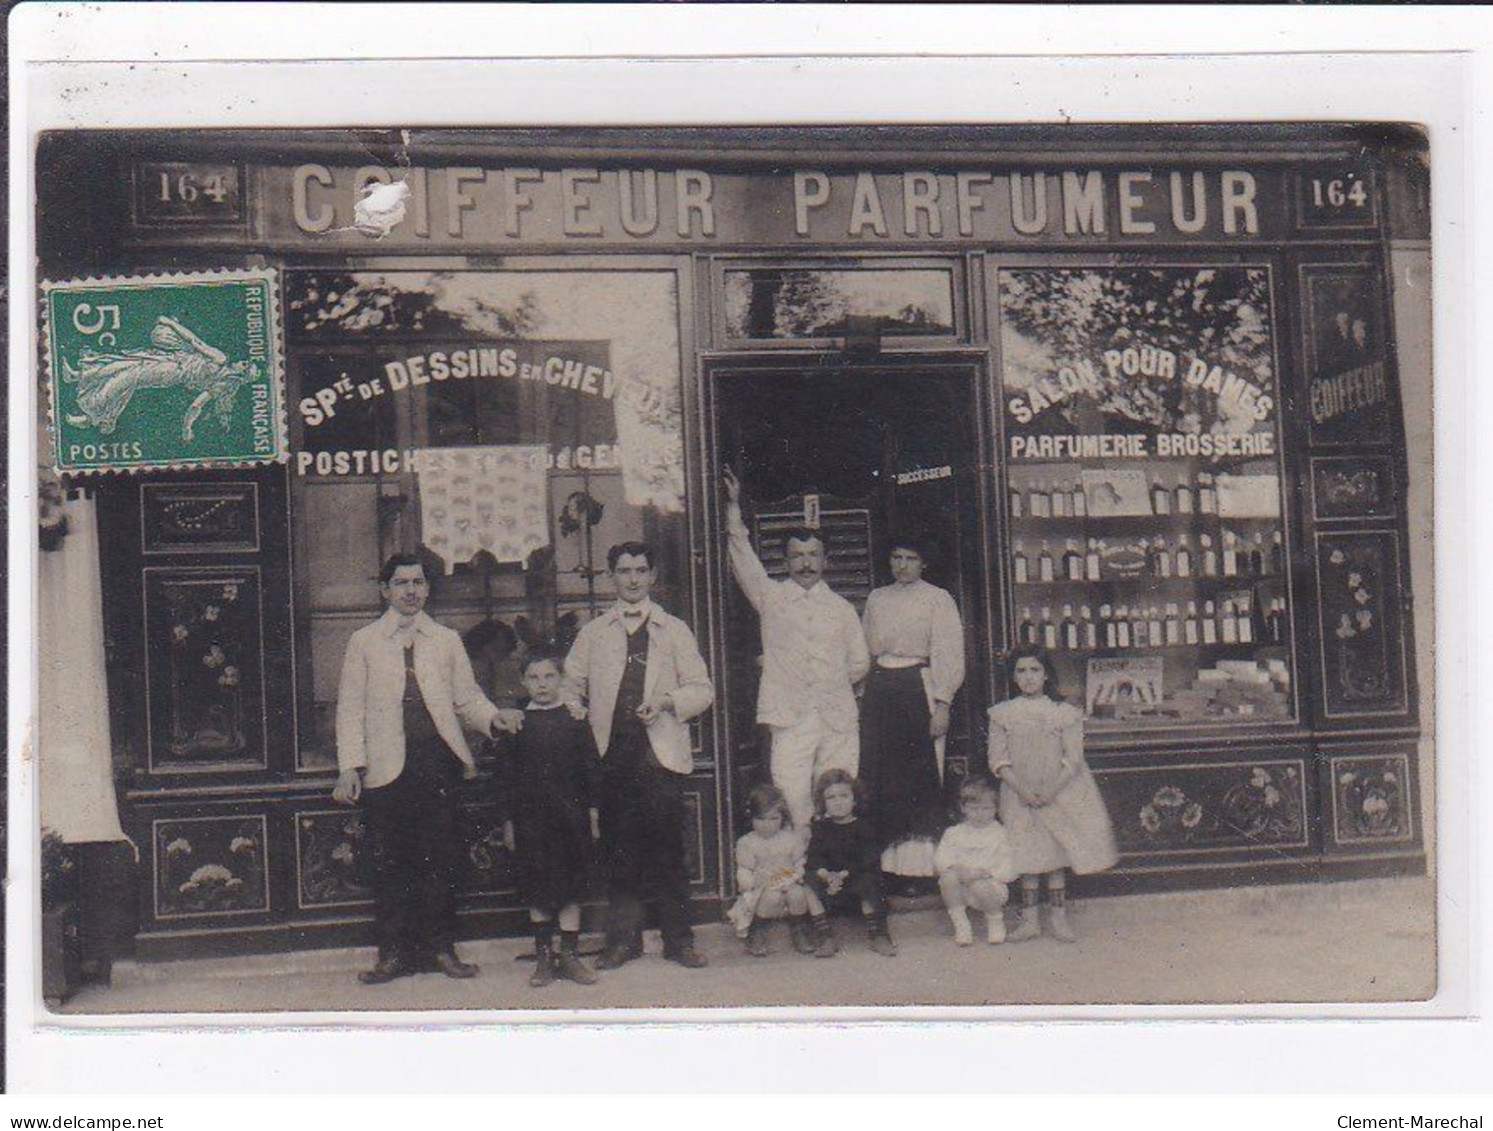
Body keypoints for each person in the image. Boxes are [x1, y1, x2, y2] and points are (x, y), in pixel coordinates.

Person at [333, 553, 523, 985]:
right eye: (401, 583)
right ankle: (393, 954)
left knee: (441, 859)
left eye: (418, 582)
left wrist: (493, 718)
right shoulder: (364, 642)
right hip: (385, 767)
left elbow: (466, 698)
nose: (411, 591)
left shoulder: (445, 640)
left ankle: (441, 949)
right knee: (391, 862)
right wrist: (349, 766)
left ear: (428, 589)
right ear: (385, 590)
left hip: (437, 763)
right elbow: (350, 709)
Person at [564, 541, 715, 970]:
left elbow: (703, 690)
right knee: (619, 852)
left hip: (660, 756)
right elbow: (570, 685)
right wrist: (577, 709)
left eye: (640, 570)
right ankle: (622, 941)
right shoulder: (595, 633)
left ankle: (678, 941)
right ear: (613, 577)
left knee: (668, 850)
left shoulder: (674, 630)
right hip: (613, 757)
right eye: (624, 571)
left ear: (651, 577)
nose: (632, 579)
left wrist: (668, 701)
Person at [723, 468, 870, 830]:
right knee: (790, 792)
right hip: (790, 715)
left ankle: (833, 869)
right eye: (797, 556)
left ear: (825, 561)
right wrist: (732, 509)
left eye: (813, 555)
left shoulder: (842, 609)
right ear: (786, 562)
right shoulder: (772, 599)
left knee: (837, 790)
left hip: (836, 717)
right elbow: (743, 560)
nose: (806, 563)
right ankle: (800, 867)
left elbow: (860, 662)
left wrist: (830, 683)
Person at [986, 645, 1119, 943]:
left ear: (1046, 674)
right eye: (1021, 671)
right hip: (1019, 793)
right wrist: (1022, 789)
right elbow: (997, 759)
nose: (1029, 677)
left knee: (1055, 853)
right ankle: (1030, 919)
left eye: (1035, 670)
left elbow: (1073, 758)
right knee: (1027, 853)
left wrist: (1049, 790)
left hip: (1058, 791)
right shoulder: (1003, 714)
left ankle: (1058, 918)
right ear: (1013, 677)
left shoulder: (1064, 713)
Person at [860, 537, 966, 884]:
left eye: (910, 557)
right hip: (881, 688)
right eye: (896, 556)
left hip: (918, 685)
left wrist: (942, 704)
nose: (902, 564)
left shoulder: (937, 598)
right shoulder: (877, 598)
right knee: (881, 775)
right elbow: (865, 650)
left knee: (919, 777)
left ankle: (919, 871)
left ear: (923, 563)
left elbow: (949, 652)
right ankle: (888, 869)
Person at [495, 650, 603, 988]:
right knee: (538, 888)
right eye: (534, 678)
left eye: (549, 677)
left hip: (571, 819)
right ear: (523, 682)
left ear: (561, 680)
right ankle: (544, 958)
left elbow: (590, 770)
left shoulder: (574, 719)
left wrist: (593, 814)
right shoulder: (517, 724)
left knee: (572, 888)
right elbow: (505, 779)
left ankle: (569, 956)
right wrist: (509, 822)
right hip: (532, 822)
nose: (542, 685)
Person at [804, 769, 897, 957]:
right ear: (823, 803)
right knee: (807, 883)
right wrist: (824, 874)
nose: (838, 802)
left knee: (870, 881)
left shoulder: (864, 827)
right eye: (831, 798)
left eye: (844, 796)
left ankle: (877, 935)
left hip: (856, 883)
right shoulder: (821, 829)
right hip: (831, 886)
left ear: (854, 799)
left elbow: (868, 860)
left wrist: (842, 874)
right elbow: (814, 857)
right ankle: (825, 936)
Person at [726, 784, 816, 958]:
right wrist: (749, 882)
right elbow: (745, 869)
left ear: (782, 817)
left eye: (773, 818)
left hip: (788, 881)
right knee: (772, 897)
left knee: (798, 894)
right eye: (760, 819)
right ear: (751, 817)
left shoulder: (791, 839)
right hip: (762, 886)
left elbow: (799, 862)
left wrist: (794, 877)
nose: (766, 825)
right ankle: (757, 931)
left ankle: (799, 930)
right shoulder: (747, 842)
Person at [935, 777, 1019, 946]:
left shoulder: (1001, 833)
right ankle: (962, 925)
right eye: (974, 808)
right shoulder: (954, 833)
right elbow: (941, 858)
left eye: (986, 808)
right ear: (963, 808)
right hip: (962, 887)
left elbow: (1010, 865)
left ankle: (995, 921)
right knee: (947, 878)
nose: (980, 814)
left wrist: (986, 873)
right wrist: (957, 869)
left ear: (996, 808)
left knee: (980, 885)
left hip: (991, 888)